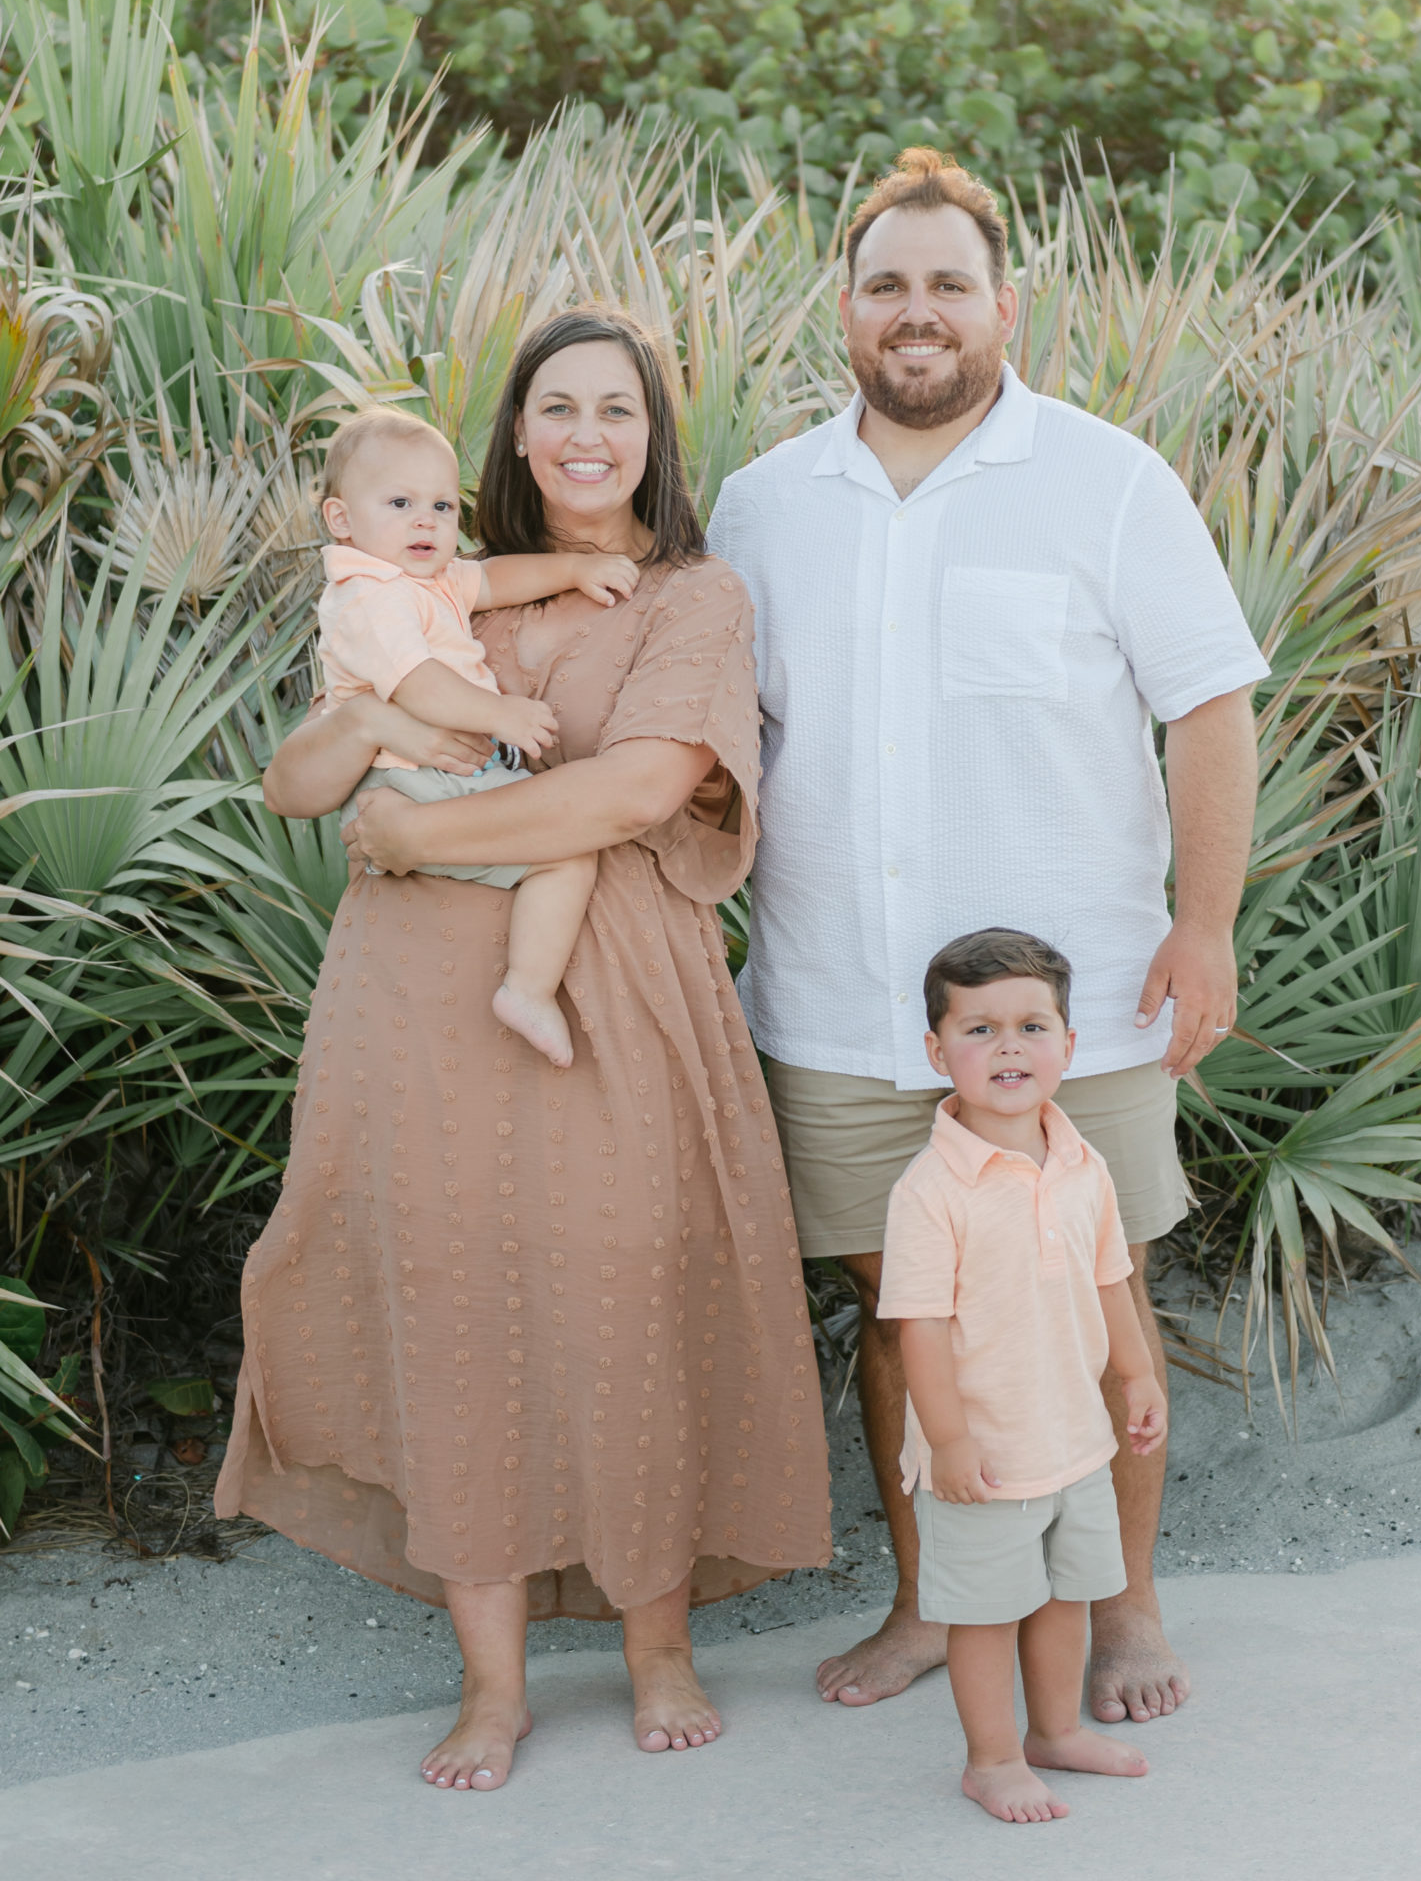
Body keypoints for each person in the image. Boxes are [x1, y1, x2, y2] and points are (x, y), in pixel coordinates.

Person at [216, 306, 831, 1788]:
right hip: (414, 1010)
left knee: (629, 1298)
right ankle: (491, 1688)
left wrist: (421, 825)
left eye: (614, 410)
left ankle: (656, 1645)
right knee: (454, 1314)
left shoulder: (695, 597)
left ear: (652, 436)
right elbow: (299, 779)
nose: (583, 437)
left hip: (611, 997)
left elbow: (630, 794)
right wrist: (361, 750)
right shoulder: (429, 584)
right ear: (513, 430)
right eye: (555, 407)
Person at [707, 148, 1267, 1724]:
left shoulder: (1106, 481)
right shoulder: (764, 504)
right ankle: (930, 1605)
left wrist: (1205, 924)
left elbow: (1210, 706)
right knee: (908, 1328)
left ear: (1003, 303)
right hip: (835, 1005)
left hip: (1063, 1008)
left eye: (950, 283)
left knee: (1091, 1302)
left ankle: (1126, 1610)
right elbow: (719, 747)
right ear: (845, 306)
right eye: (887, 283)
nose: (918, 312)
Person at [880, 928, 1166, 1823]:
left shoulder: (1082, 1163)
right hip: (987, 1454)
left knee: (1065, 1599)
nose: (1009, 1047)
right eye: (979, 1030)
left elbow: (1109, 1279)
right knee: (986, 1615)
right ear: (937, 1051)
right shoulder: (931, 1190)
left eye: (1032, 1027)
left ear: (1068, 1047)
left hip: (1074, 1439)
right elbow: (917, 1327)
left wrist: (1137, 1376)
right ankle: (992, 1758)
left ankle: (1053, 1733)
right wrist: (951, 1438)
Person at [316, 406, 639, 1066]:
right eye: (400, 502)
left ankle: (520, 984)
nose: (425, 520)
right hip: (408, 776)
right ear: (341, 520)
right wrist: (502, 716)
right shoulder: (366, 598)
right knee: (566, 854)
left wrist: (574, 570)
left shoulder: (423, 583)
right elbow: (417, 682)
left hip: (435, 775)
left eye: (440, 504)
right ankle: (526, 989)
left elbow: (493, 579)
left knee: (554, 846)